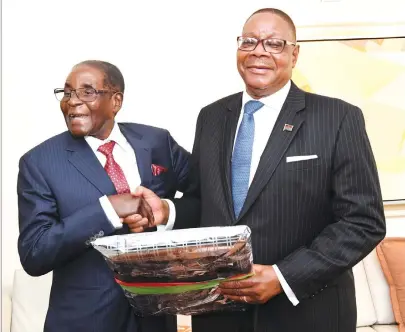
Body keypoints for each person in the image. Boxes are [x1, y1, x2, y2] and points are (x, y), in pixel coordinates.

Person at [131, 8, 386, 332]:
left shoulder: (337, 118)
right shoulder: (210, 118)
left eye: (275, 43)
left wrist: (283, 276)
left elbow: (363, 221)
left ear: (294, 54)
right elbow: (203, 204)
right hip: (219, 314)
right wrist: (165, 211)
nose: (259, 51)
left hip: (306, 314)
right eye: (249, 41)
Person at [17, 60, 191, 332]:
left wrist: (167, 212)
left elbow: (211, 197)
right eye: (67, 93)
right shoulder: (40, 163)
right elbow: (34, 253)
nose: (72, 102)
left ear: (116, 101)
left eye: (87, 92)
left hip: (156, 319)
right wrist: (107, 210)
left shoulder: (158, 142)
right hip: (85, 322)